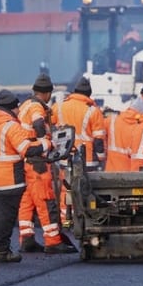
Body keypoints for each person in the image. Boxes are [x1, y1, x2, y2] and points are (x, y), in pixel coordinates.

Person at [0, 89, 42, 264]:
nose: (18, 111)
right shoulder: (11, 126)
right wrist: (47, 144)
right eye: (17, 108)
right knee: (7, 216)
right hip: (11, 179)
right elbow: (27, 150)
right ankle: (2, 251)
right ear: (12, 108)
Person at [16, 74, 72, 254]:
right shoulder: (36, 107)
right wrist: (45, 144)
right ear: (47, 93)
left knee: (27, 201)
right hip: (37, 162)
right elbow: (39, 124)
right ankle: (53, 241)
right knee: (46, 200)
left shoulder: (25, 105)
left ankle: (27, 238)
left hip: (26, 161)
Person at [51, 78, 107, 223]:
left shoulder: (59, 106)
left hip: (64, 155)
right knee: (86, 189)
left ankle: (65, 219)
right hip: (87, 159)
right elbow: (98, 140)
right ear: (89, 94)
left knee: (67, 188)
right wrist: (101, 158)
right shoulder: (93, 111)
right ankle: (84, 217)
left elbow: (50, 126)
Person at [105, 98, 143, 173]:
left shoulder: (112, 120)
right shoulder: (141, 127)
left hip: (111, 170)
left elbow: (99, 136)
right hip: (129, 172)